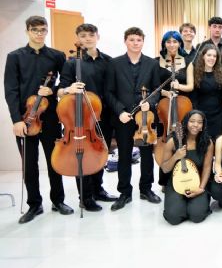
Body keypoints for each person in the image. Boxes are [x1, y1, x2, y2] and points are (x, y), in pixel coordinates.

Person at [4, 16, 71, 223]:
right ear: (27, 31)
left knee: (54, 161)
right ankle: (34, 205)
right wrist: (16, 120)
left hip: (50, 117)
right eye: (35, 30)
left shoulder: (57, 55)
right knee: (30, 165)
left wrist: (52, 90)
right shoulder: (15, 57)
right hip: (25, 119)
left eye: (43, 30)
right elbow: (10, 90)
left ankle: (58, 200)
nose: (39, 33)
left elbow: (65, 82)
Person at [57, 23, 117, 212]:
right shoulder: (71, 63)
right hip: (81, 119)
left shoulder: (108, 61)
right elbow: (60, 90)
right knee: (83, 156)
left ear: (97, 36)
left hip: (104, 115)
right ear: (78, 38)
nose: (87, 39)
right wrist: (69, 89)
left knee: (101, 154)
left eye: (91, 35)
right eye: (83, 36)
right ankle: (85, 197)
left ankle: (98, 190)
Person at [105, 27, 162, 211]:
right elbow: (109, 92)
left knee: (146, 155)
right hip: (123, 118)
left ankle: (146, 189)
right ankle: (125, 193)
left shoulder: (152, 64)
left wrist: (150, 103)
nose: (135, 43)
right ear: (125, 41)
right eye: (131, 40)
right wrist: (120, 111)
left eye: (139, 40)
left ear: (143, 42)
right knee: (124, 155)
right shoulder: (114, 63)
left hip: (145, 117)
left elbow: (157, 90)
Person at [160, 110, 213, 225]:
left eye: (199, 122)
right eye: (192, 121)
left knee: (197, 216)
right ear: (186, 123)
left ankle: (193, 205)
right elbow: (164, 168)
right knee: (173, 218)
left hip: (197, 181)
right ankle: (181, 205)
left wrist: (201, 188)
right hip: (177, 181)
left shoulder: (207, 142)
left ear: (203, 125)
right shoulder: (172, 141)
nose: (195, 125)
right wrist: (175, 156)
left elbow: (207, 167)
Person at [157, 31, 194, 188]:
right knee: (166, 143)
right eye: (168, 42)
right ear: (164, 44)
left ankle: (184, 176)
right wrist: (166, 93)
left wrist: (179, 86)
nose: (172, 45)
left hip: (182, 106)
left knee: (183, 141)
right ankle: (164, 181)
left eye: (175, 41)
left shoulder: (188, 62)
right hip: (165, 107)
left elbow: (191, 86)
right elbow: (154, 87)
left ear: (180, 43)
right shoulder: (157, 62)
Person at [191, 44, 222, 141]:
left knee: (218, 142)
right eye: (209, 55)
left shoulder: (221, 74)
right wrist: (196, 115)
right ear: (203, 56)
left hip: (219, 115)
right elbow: (194, 97)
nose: (212, 58)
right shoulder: (196, 73)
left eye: (214, 56)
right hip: (202, 114)